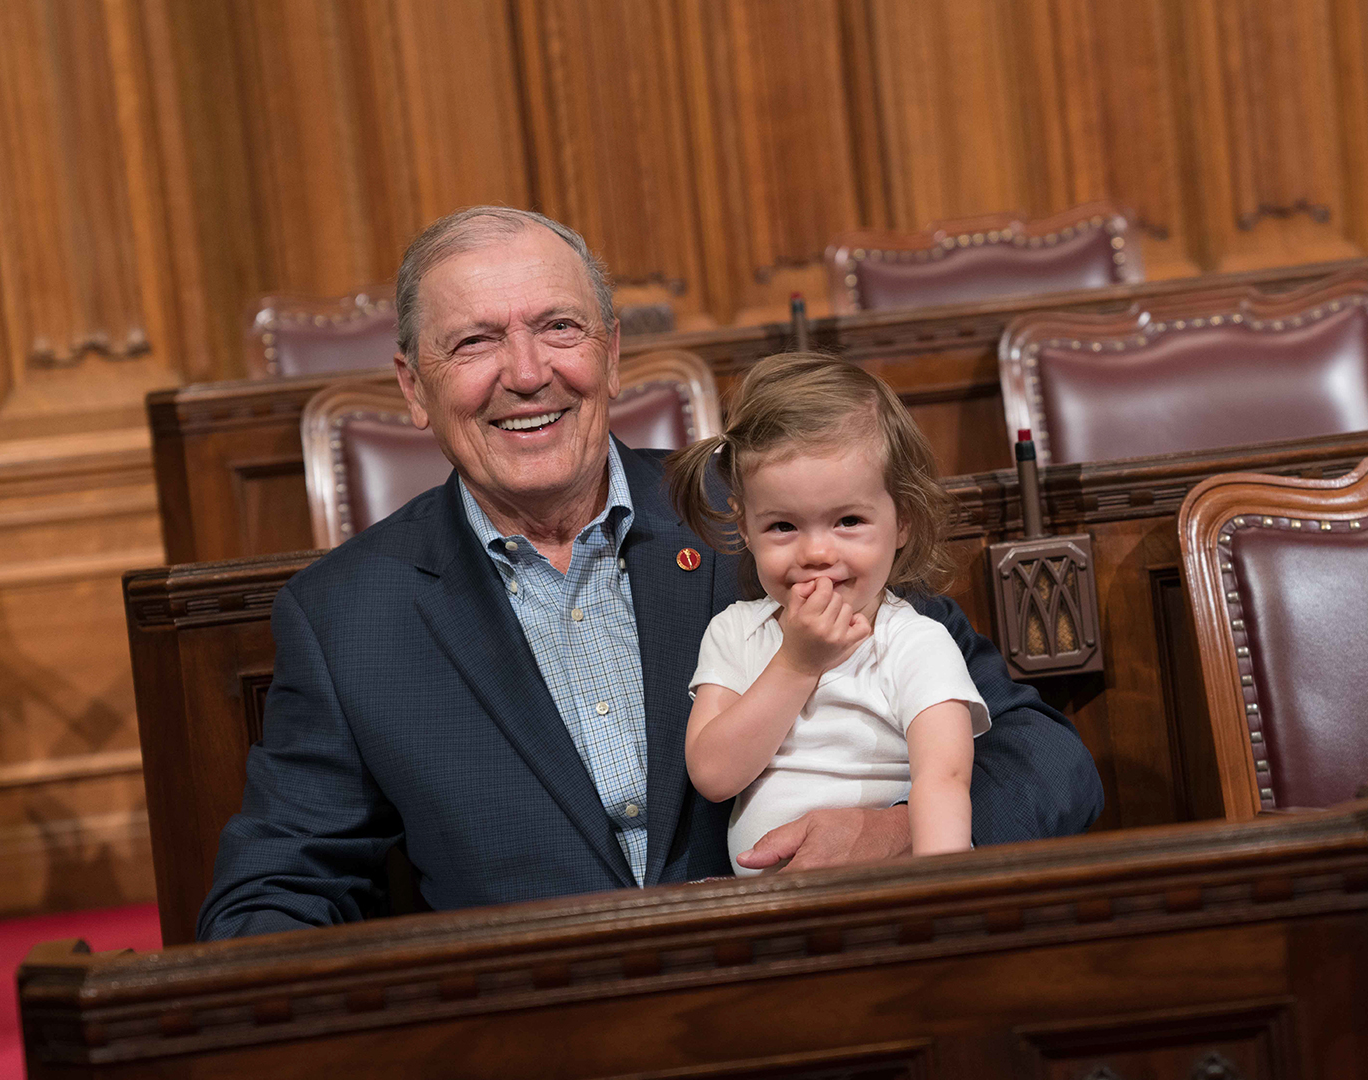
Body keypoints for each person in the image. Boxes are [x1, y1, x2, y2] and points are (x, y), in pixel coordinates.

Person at [196, 207, 1102, 941]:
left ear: (613, 352)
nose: (527, 373)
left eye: (559, 328)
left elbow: (1047, 761)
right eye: (474, 343)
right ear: (410, 385)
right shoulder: (352, 614)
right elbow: (277, 890)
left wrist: (896, 834)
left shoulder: (768, 517)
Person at [668, 355, 986, 874]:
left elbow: (944, 780)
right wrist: (797, 664)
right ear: (745, 529)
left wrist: (941, 897)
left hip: (884, 895)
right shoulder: (735, 632)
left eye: (848, 520)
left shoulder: (914, 643)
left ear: (901, 521)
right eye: (783, 527)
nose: (816, 552)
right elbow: (714, 773)